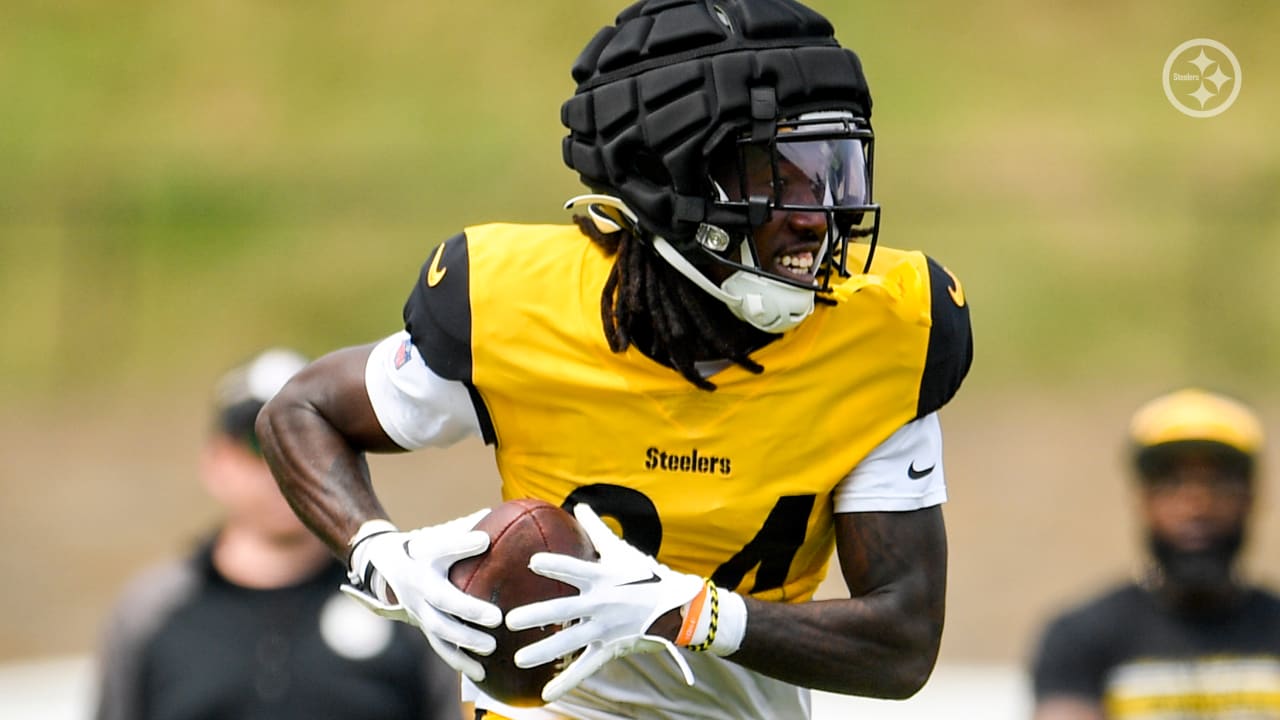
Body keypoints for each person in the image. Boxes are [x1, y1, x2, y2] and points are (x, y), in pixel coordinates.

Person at [257, 1, 973, 718]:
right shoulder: (517, 303)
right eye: (777, 176)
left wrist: (694, 614)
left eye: (832, 171)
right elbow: (300, 410)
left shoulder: (884, 333)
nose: (816, 217)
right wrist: (379, 556)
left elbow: (902, 641)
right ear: (671, 181)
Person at [93, 348, 463, 720]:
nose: (283, 462)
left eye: (309, 440)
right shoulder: (151, 614)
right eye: (260, 443)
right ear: (217, 462)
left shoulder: (402, 603)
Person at [1029, 388, 1280, 719]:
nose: (1196, 506)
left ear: (1251, 497)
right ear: (1142, 499)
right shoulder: (1083, 635)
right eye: (1172, 482)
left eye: (1218, 483)